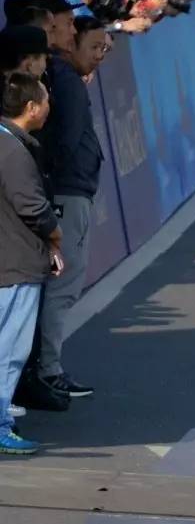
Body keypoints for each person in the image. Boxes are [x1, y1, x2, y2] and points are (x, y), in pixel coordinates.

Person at [25, 16, 109, 405]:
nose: (99, 56)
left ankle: (42, 368)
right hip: (66, 195)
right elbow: (65, 142)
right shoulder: (68, 82)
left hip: (70, 192)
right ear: (68, 43)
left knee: (59, 287)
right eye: (94, 47)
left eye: (105, 49)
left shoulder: (65, 77)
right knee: (62, 286)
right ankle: (48, 371)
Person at [0, 73, 61, 454]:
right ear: (31, 107)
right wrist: (56, 237)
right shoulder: (12, 151)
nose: (48, 106)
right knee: (9, 350)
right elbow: (32, 207)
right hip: (16, 264)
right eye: (45, 99)